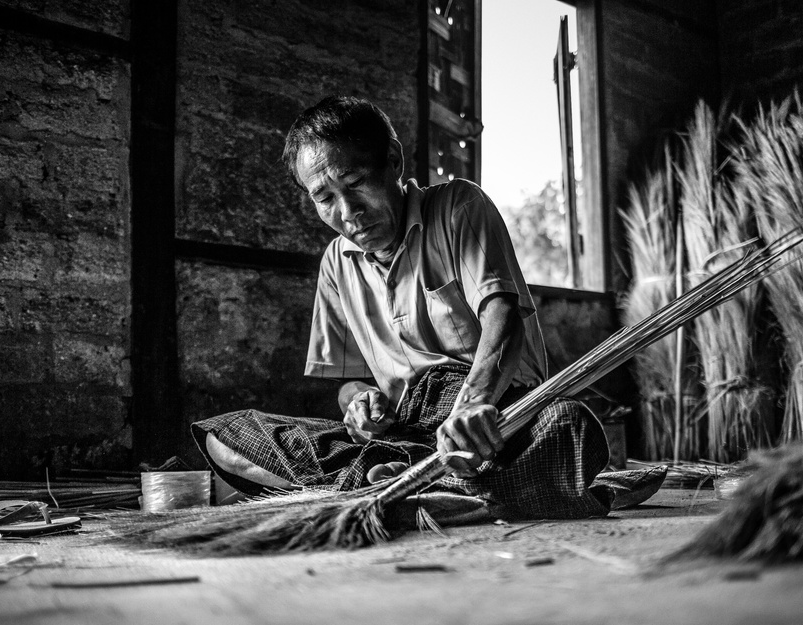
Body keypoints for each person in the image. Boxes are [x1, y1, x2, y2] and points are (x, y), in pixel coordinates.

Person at [192, 96, 660, 520]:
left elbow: (504, 316)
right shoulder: (336, 263)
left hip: (494, 419)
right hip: (402, 433)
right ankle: (431, 490)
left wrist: (473, 405)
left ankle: (399, 491)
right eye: (324, 198)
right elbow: (347, 381)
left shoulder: (458, 207)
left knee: (569, 427)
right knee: (225, 436)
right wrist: (358, 404)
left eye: (356, 184)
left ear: (392, 161)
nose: (347, 212)